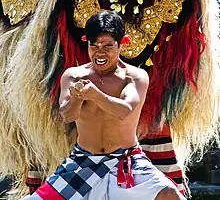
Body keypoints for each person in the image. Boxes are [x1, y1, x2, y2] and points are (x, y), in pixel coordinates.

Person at [24, 11, 186, 200]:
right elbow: (67, 116)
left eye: (108, 46)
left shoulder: (134, 77)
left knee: (169, 194)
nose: (100, 52)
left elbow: (125, 110)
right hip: (83, 161)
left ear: (122, 43)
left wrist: (95, 95)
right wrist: (77, 97)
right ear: (87, 42)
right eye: (94, 45)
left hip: (127, 160)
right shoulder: (73, 75)